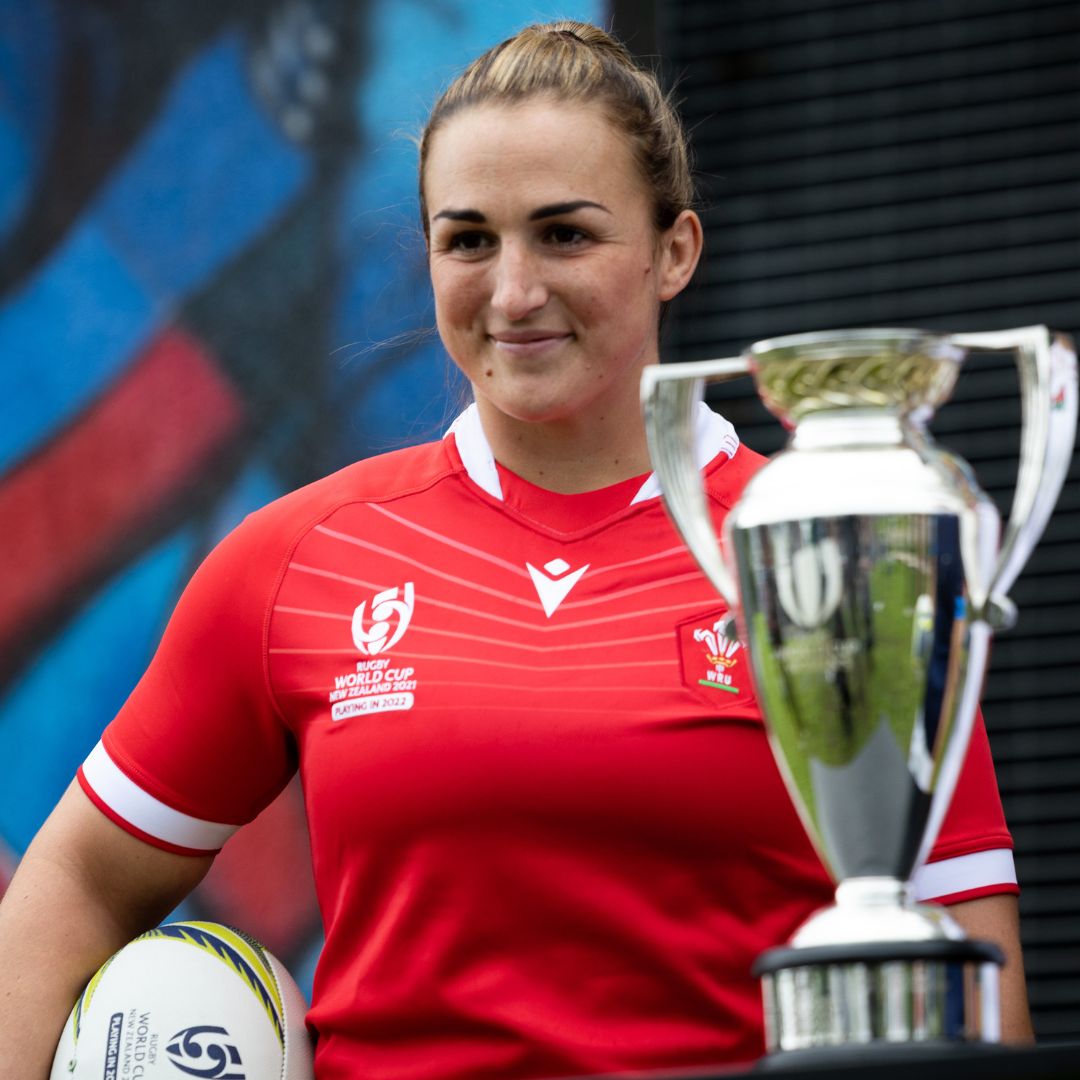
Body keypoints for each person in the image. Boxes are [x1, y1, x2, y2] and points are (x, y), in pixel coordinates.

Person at [0, 20, 1032, 1079]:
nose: (513, 291)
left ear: (674, 250)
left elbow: (968, 965)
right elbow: (78, 881)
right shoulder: (295, 560)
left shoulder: (836, 552)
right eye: (469, 240)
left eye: (565, 234)